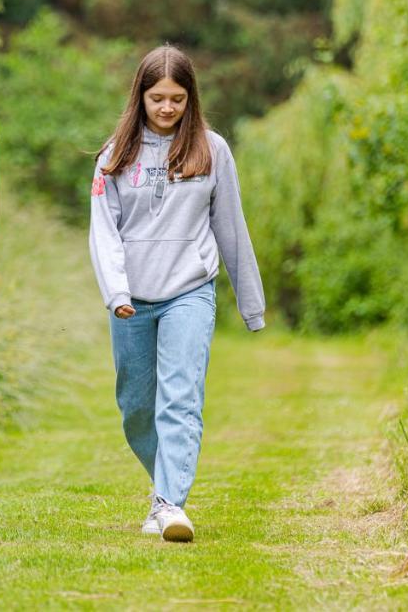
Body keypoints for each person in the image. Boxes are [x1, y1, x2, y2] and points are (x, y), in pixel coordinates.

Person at [89, 44, 265, 543]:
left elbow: (231, 228)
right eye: (158, 98)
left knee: (180, 398)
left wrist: (251, 306)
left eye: (178, 99)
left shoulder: (212, 150)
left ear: (192, 100)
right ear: (140, 97)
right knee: (137, 405)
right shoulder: (114, 156)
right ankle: (161, 487)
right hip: (131, 301)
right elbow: (104, 232)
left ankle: (170, 503)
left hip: (190, 290)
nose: (167, 108)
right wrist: (116, 292)